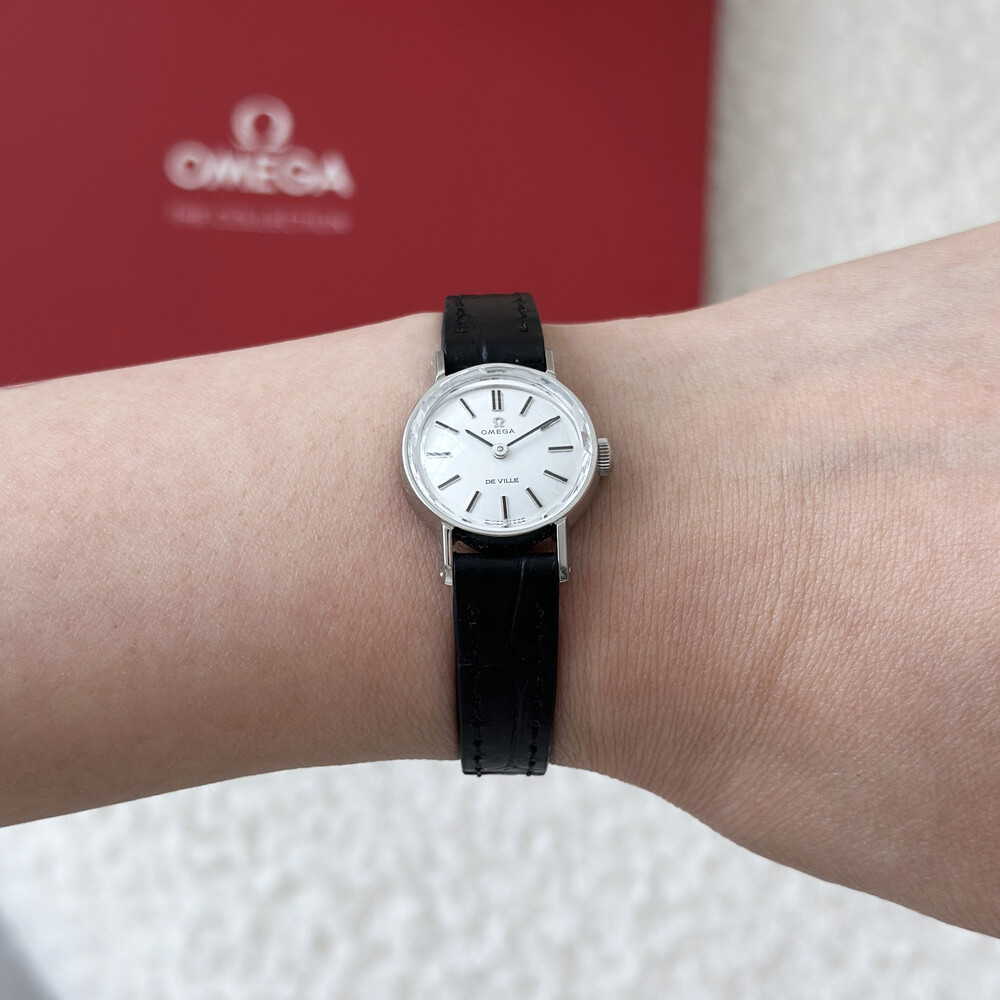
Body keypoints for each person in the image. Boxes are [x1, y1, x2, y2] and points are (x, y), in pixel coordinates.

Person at [1, 223, 998, 938]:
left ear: (591, 458)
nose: (503, 453)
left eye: (534, 442)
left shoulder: (556, 470)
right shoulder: (461, 476)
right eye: (490, 441)